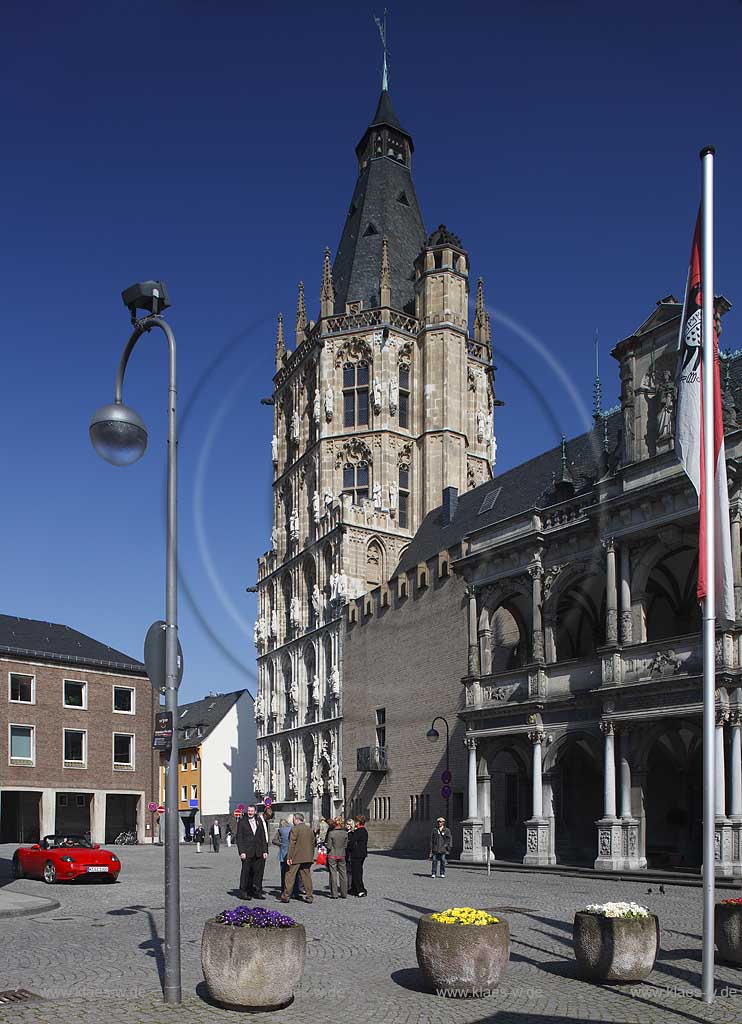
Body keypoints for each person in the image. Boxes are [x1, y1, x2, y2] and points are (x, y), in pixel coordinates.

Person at [280, 812, 315, 903]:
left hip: (296, 857)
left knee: (289, 876)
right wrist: (311, 856)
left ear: (296, 819)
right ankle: (309, 896)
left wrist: (289, 857)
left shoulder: (295, 829)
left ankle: (286, 895)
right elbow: (313, 844)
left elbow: (292, 844)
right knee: (306, 877)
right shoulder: (309, 829)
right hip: (307, 857)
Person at [236, 805, 269, 900]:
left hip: (258, 851)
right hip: (247, 851)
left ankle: (257, 891)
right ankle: (244, 892)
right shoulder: (242, 822)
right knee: (246, 873)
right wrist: (241, 851)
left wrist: (265, 850)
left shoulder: (259, 821)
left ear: (255, 812)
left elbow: (263, 837)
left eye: (252, 811)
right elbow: (239, 838)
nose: (250, 812)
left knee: (258, 873)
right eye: (249, 810)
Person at [273, 818, 301, 898]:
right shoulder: (294, 829)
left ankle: (284, 891)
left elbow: (274, 840)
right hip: (294, 854)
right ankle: (295, 891)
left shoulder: (280, 830)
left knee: (283, 874)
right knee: (295, 874)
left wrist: (281, 844)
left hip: (283, 854)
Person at [325, 817, 348, 899]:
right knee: (343, 873)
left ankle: (334, 894)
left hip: (332, 854)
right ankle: (344, 893)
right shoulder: (345, 833)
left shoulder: (331, 833)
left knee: (333, 873)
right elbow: (345, 845)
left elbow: (329, 846)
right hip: (342, 854)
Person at [347, 815, 368, 897]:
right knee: (357, 871)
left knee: (356, 873)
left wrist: (349, 847)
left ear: (358, 822)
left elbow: (352, 842)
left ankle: (360, 890)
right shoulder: (364, 831)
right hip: (362, 854)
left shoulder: (359, 831)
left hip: (357, 854)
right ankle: (354, 888)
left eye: (356, 821)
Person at [344, 819, 355, 893]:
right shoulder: (345, 832)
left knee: (350, 871)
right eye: (347, 824)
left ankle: (349, 886)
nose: (347, 826)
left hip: (350, 854)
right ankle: (347, 885)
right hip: (345, 853)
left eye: (349, 824)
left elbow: (352, 844)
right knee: (346, 871)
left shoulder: (353, 833)